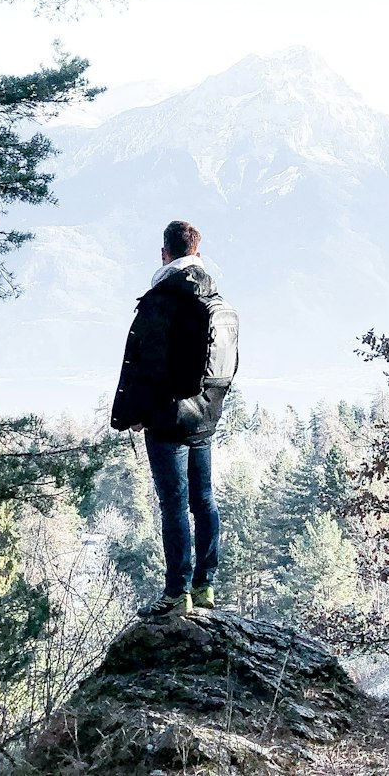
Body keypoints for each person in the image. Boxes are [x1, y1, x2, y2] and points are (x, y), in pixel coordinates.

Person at [111, 220, 239, 619]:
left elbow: (145, 366)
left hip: (166, 419)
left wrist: (132, 415)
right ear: (197, 253)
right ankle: (206, 586)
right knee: (204, 501)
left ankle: (177, 591)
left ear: (164, 253)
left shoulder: (162, 300)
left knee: (174, 505)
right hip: (204, 417)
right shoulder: (217, 301)